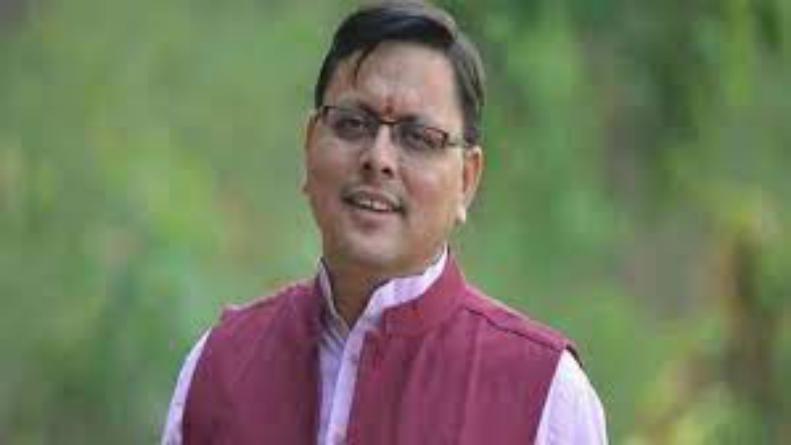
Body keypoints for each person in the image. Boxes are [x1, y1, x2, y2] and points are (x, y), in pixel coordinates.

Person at [162, 1, 607, 444]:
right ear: (310, 144)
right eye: (353, 124)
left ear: (466, 180)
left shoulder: (543, 396)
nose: (378, 158)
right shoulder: (222, 366)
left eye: (418, 138)